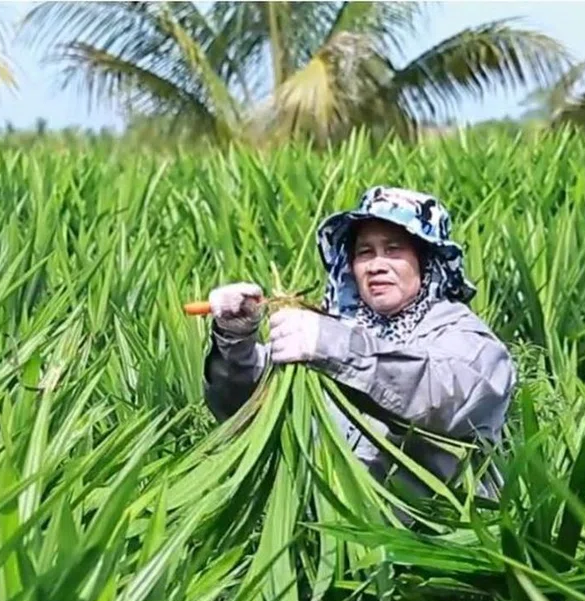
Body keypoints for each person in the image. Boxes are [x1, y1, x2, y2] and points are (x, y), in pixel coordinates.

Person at [202, 186, 516, 502]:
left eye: (394, 250)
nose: (376, 264)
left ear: (426, 261)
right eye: (365, 252)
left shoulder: (467, 340)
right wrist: (236, 339)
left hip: (430, 539)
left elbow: (444, 396)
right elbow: (241, 407)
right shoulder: (331, 331)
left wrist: (338, 350)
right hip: (328, 535)